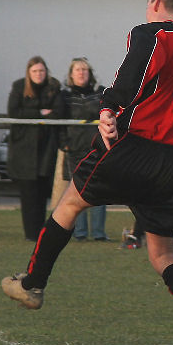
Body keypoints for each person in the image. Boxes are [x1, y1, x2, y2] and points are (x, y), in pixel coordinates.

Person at [1, 0, 173, 345]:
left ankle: (33, 284)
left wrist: (108, 106)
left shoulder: (152, 33)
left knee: (70, 204)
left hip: (137, 146)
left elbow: (133, 71)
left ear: (156, 2)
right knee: (163, 252)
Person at [7, 56, 64, 241]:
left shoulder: (53, 88)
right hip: (24, 150)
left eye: (41, 71)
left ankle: (40, 232)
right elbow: (14, 112)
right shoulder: (19, 87)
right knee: (28, 194)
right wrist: (39, 113)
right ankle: (31, 234)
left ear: (46, 71)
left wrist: (39, 114)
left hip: (45, 149)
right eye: (35, 71)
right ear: (28, 73)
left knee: (41, 193)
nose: (38, 74)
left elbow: (59, 112)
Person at [60, 57, 108, 241]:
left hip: (98, 149)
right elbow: (59, 123)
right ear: (71, 74)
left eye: (85, 70)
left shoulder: (100, 93)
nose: (81, 73)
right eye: (78, 70)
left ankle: (98, 233)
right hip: (74, 150)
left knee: (99, 190)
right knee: (77, 191)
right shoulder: (65, 96)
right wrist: (64, 143)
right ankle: (79, 233)